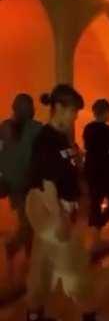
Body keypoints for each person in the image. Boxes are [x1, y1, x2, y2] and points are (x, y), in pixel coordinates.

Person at [25, 84, 109, 321]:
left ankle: (34, 313)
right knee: (73, 262)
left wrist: (75, 161)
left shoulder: (59, 137)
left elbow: (64, 170)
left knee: (42, 262)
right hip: (47, 205)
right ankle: (89, 317)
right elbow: (47, 185)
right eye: (72, 111)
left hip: (50, 204)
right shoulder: (46, 141)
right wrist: (59, 219)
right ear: (58, 108)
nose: (75, 116)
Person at [0, 95, 42, 266]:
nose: (28, 110)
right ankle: (15, 248)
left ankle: (26, 254)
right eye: (25, 107)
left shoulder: (34, 128)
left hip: (27, 181)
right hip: (17, 183)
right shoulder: (4, 129)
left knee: (28, 222)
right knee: (27, 223)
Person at [83, 99, 109, 246]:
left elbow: (90, 148)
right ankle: (97, 229)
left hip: (91, 169)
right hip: (105, 171)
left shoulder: (88, 129)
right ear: (104, 113)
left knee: (95, 201)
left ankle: (96, 235)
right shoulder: (108, 131)